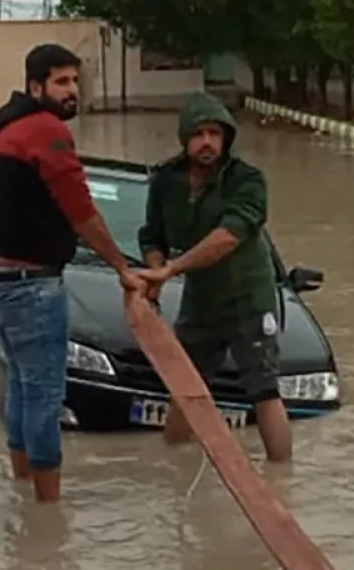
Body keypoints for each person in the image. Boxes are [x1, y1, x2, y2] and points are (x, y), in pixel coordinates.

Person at [0, 43, 146, 502]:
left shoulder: (7, 128)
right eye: (61, 82)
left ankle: (22, 488)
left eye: (75, 81)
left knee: (20, 384)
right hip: (32, 284)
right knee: (45, 394)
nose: (72, 91)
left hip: (0, 278)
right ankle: (49, 509)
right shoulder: (44, 130)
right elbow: (82, 212)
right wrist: (121, 268)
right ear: (37, 87)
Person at [135, 92, 292, 462]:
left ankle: (283, 482)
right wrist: (155, 269)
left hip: (248, 298)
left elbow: (228, 236)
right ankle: (176, 471)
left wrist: (171, 269)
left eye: (215, 134)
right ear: (184, 137)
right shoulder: (165, 181)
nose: (207, 142)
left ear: (226, 139)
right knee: (185, 389)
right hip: (200, 300)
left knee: (264, 391)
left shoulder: (247, 180)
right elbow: (152, 234)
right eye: (199, 133)